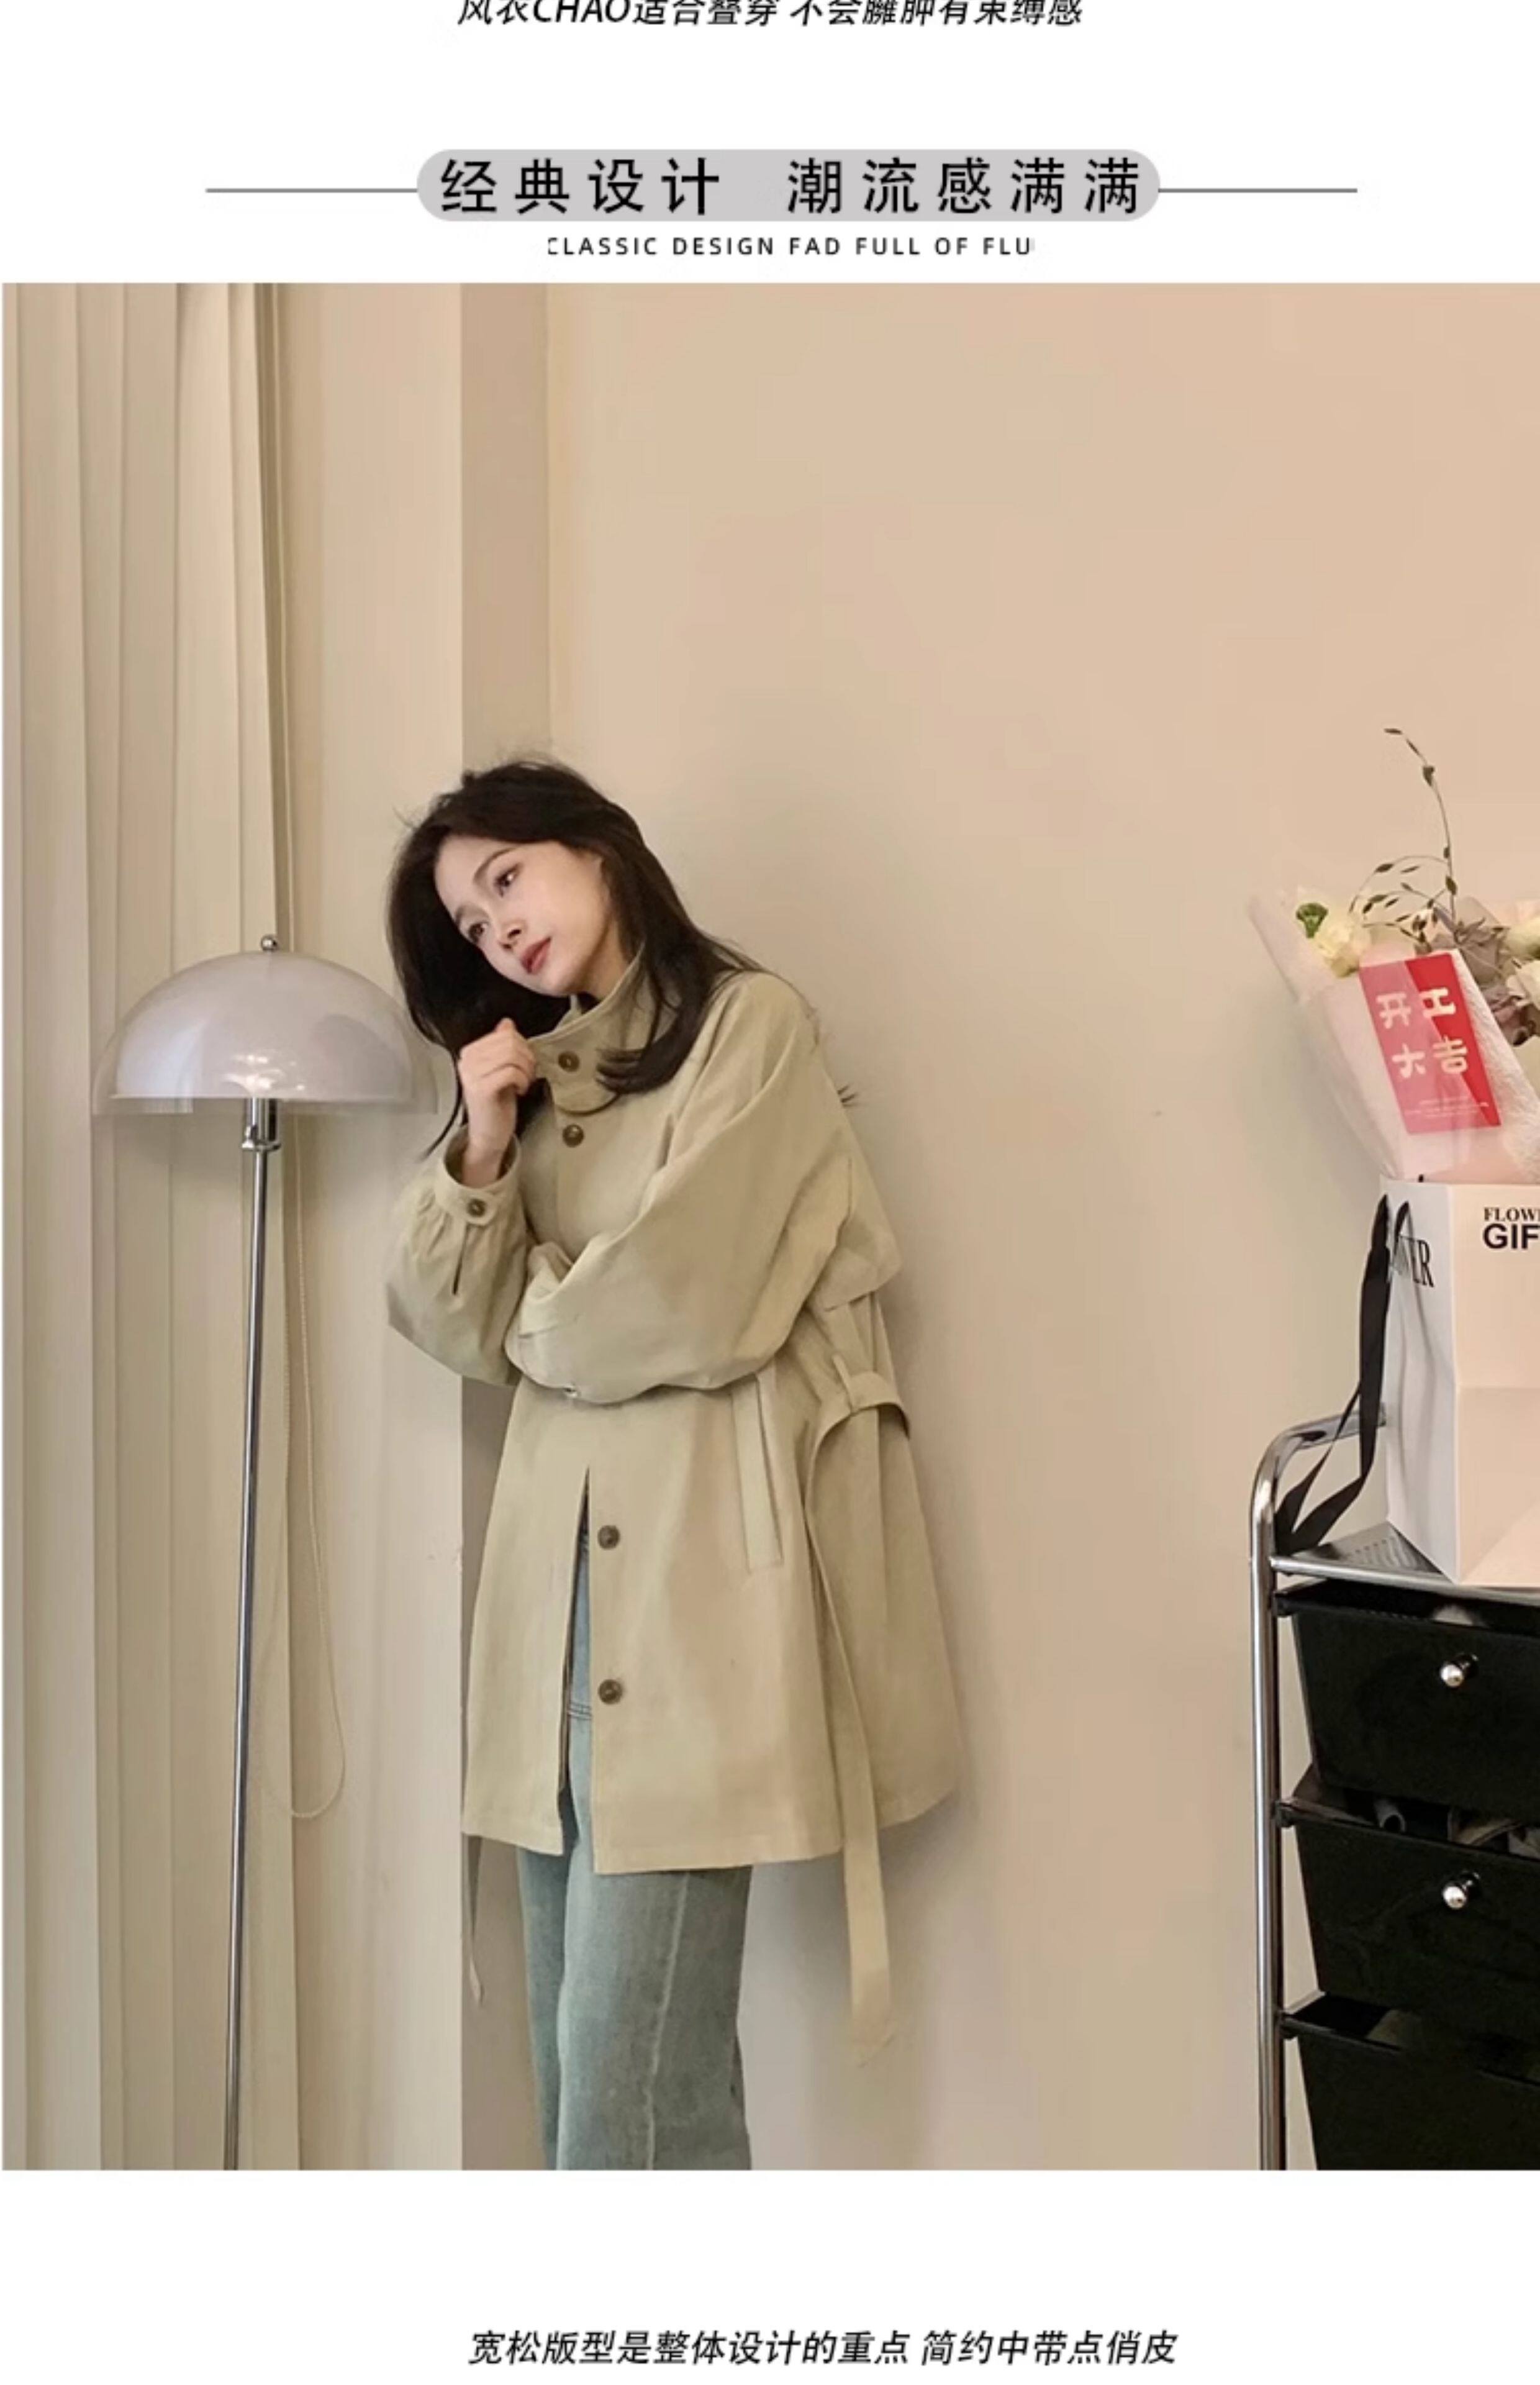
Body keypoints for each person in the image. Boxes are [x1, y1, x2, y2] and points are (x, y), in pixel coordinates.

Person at [382, 753, 962, 2168]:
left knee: (631, 2094)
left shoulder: (751, 1029)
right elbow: (443, 1318)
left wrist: (539, 1321)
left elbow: (684, 1301)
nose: (499, 929)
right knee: (579, 2080)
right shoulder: (532, 1081)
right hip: (552, 1617)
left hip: (698, 1600)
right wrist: (484, 1143)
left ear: (594, 848)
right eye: (471, 924)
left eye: (507, 879)